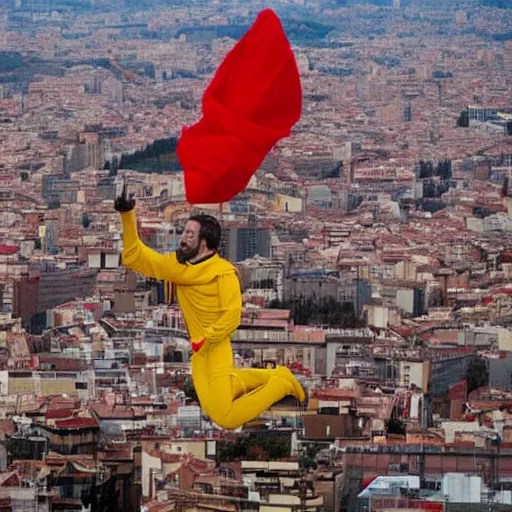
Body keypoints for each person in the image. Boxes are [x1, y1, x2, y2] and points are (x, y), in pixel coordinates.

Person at [114, 184, 306, 430]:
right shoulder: (179, 266)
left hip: (215, 350)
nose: (182, 239)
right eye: (184, 233)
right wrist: (127, 215)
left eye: (189, 235)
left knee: (225, 418)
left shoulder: (223, 274)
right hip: (200, 350)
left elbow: (232, 316)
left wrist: (206, 340)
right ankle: (276, 375)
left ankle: (281, 385)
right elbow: (135, 256)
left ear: (204, 244)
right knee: (217, 401)